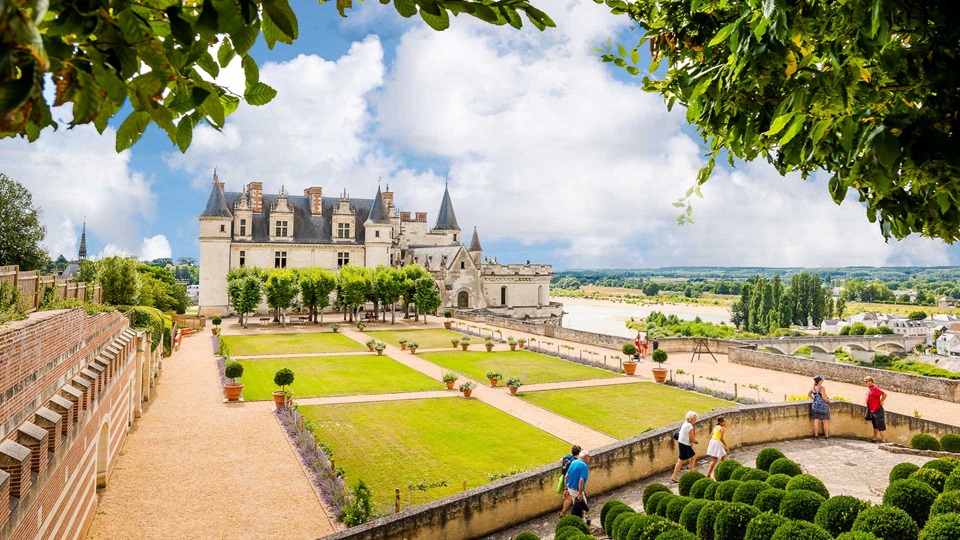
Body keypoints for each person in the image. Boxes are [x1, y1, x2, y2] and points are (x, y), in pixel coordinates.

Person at [560, 451, 591, 518]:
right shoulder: (584, 466)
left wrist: (566, 488)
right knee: (582, 506)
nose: (589, 458)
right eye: (588, 457)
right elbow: (581, 481)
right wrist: (580, 493)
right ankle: (582, 521)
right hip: (577, 490)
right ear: (585, 457)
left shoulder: (574, 462)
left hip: (570, 489)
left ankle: (580, 518)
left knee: (577, 505)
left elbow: (566, 476)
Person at [670, 411, 698, 482]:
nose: (695, 419)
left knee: (693, 457)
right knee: (681, 461)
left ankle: (691, 472)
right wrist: (696, 440)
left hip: (683, 444)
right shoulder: (690, 426)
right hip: (685, 445)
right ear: (691, 419)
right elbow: (692, 437)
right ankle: (674, 476)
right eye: (694, 418)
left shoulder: (686, 423)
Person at [558, 445, 581, 516]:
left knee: (569, 497)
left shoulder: (568, 457)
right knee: (570, 498)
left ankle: (580, 513)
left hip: (565, 478)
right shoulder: (576, 461)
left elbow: (560, 460)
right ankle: (563, 513)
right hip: (571, 481)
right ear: (579, 452)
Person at [865, 376, 888, 443]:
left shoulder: (875, 388)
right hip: (872, 410)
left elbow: (885, 394)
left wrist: (881, 401)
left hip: (877, 409)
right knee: (875, 424)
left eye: (867, 381)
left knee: (880, 424)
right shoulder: (870, 388)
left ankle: (884, 440)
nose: (866, 382)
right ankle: (875, 438)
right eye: (865, 381)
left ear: (871, 381)